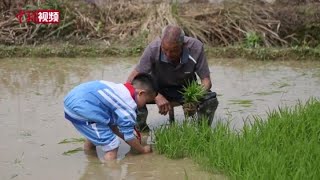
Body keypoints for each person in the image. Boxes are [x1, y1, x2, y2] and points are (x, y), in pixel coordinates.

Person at [127, 25, 219, 131]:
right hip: (158, 89)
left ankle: (202, 132)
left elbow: (206, 81)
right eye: (165, 50)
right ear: (161, 43)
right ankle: (142, 132)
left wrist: (193, 98)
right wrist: (156, 95)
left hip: (186, 90)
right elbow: (131, 81)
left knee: (210, 99)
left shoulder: (196, 48)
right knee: (133, 95)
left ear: (183, 45)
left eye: (174, 50)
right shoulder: (153, 49)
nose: (168, 54)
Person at [63, 73, 158, 161]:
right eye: (146, 101)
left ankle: (91, 162)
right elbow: (128, 137)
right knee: (112, 145)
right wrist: (143, 150)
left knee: (97, 132)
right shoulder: (128, 105)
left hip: (73, 100)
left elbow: (113, 127)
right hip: (82, 108)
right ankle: (110, 172)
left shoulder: (121, 90)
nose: (144, 105)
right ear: (141, 93)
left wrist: (130, 138)